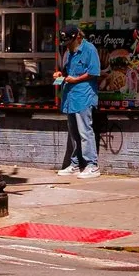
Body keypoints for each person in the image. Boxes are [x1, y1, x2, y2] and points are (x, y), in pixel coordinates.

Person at [52, 23, 101, 179]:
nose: (68, 46)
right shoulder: (68, 52)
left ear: (77, 37)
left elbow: (93, 72)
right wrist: (59, 74)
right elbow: (66, 71)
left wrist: (76, 79)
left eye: (69, 42)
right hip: (70, 97)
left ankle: (92, 165)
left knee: (85, 132)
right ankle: (75, 164)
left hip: (84, 96)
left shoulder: (89, 50)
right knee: (73, 133)